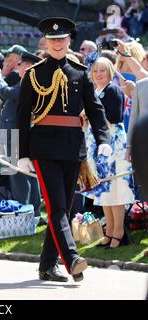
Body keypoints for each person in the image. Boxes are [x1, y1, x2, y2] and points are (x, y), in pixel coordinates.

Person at [16, 17, 111, 282]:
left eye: (62, 39)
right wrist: (22, 153)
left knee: (64, 209)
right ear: (46, 42)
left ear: (70, 41)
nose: (57, 44)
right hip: (44, 148)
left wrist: (104, 139)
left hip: (73, 148)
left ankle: (47, 265)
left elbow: (95, 109)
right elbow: (22, 115)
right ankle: (71, 259)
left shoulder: (80, 72)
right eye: (52, 39)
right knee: (57, 206)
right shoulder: (33, 74)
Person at [84, 57, 135, 248]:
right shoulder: (95, 91)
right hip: (99, 145)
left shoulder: (113, 90)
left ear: (110, 72)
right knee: (104, 190)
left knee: (116, 191)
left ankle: (119, 233)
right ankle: (110, 232)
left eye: (102, 71)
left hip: (113, 146)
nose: (98, 75)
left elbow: (115, 116)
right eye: (96, 71)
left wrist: (91, 113)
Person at [0, 51, 42, 215]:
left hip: (16, 134)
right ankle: (33, 212)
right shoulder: (29, 82)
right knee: (28, 175)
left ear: (27, 67)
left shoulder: (27, 84)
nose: (18, 68)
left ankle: (24, 212)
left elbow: (5, 92)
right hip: (19, 133)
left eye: (21, 65)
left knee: (17, 175)